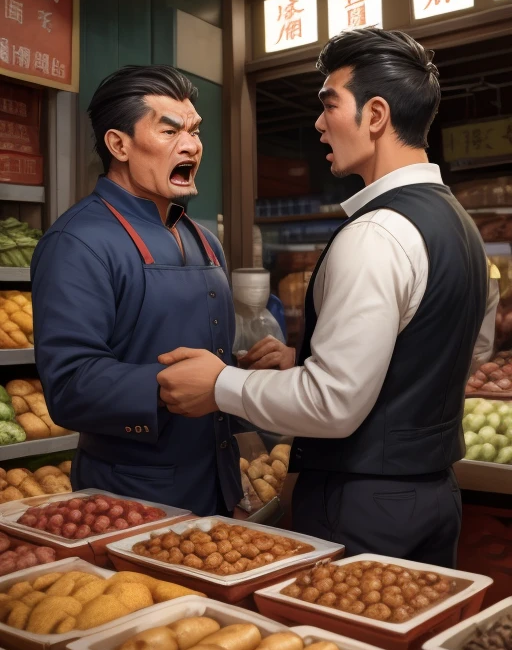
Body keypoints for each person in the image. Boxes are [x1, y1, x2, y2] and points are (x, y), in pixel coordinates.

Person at [155, 28, 499, 567]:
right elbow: (459, 351)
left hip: (364, 501)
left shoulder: (376, 233)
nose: (319, 122)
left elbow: (333, 405)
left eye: (330, 103)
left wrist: (219, 383)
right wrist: (308, 359)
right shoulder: (461, 227)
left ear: (376, 115)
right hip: (434, 496)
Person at [31, 65, 242, 517]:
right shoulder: (77, 241)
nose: (191, 145)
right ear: (119, 144)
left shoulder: (205, 239)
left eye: (194, 131)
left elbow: (217, 366)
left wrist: (247, 377)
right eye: (169, 131)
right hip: (131, 498)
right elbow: (69, 385)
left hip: (219, 484)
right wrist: (170, 386)